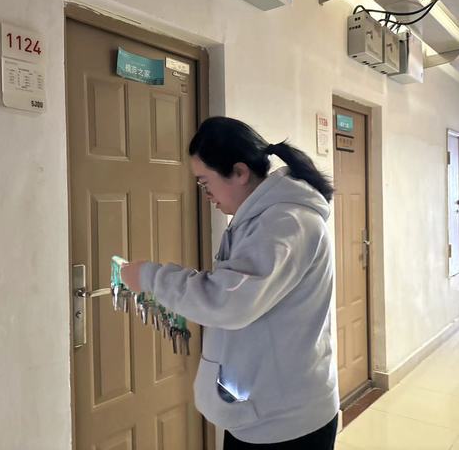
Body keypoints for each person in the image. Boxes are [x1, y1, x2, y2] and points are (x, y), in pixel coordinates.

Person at [121, 116, 339, 449]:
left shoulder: (286, 222)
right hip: (261, 411)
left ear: (239, 172)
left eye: (205, 182)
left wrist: (149, 277)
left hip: (286, 424)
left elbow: (228, 300)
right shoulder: (259, 219)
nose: (206, 194)